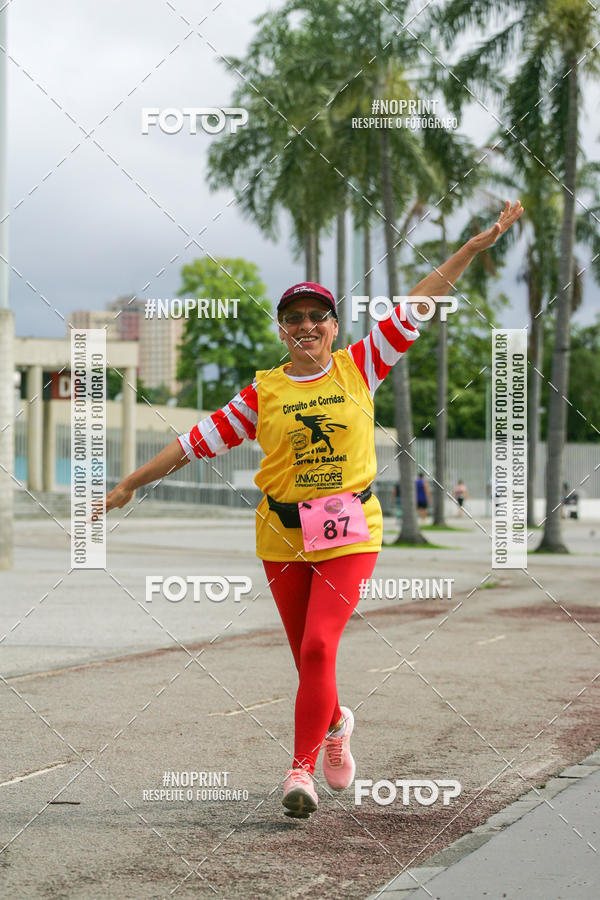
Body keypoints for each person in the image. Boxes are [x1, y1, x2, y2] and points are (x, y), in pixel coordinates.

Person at [104, 201, 523, 819]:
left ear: (333, 325)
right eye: (294, 318)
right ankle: (336, 723)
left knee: (321, 647)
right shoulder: (263, 392)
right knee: (306, 655)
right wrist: (130, 484)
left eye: (316, 316)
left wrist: (469, 249)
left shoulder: (362, 365)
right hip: (281, 533)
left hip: (350, 528)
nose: (306, 326)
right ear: (282, 331)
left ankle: (298, 771)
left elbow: (419, 302)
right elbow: (193, 442)